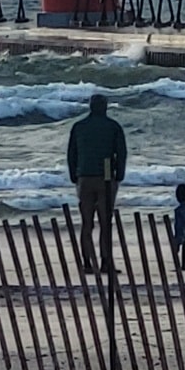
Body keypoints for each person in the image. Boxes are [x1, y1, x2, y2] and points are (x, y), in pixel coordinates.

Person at [65, 93, 127, 273]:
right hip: (106, 178)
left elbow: (72, 154)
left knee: (87, 222)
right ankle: (106, 261)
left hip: (84, 177)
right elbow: (121, 153)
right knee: (105, 222)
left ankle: (87, 262)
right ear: (105, 107)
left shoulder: (79, 127)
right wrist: (119, 175)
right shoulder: (113, 127)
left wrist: (73, 175)